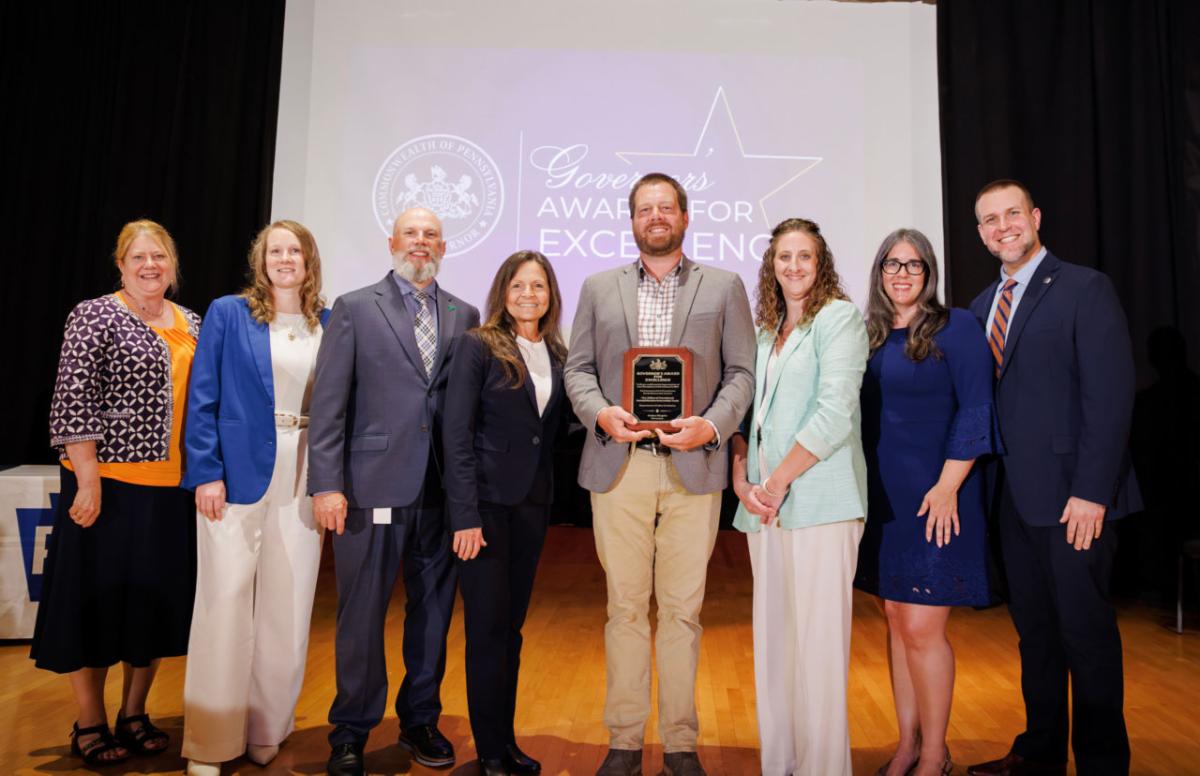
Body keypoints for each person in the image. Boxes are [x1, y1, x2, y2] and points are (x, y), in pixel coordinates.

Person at [564, 172, 755, 776]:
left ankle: (679, 743)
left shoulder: (724, 286)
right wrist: (603, 414)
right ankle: (623, 741)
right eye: (645, 209)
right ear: (632, 220)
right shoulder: (597, 287)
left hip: (693, 466)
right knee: (624, 608)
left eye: (665, 207)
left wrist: (712, 426)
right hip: (621, 469)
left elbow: (742, 374)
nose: (656, 217)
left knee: (681, 612)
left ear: (685, 216)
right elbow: (579, 371)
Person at [966, 180, 1140, 776]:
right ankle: (1039, 752)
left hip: (1074, 500)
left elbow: (1111, 397)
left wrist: (1093, 490)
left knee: (1085, 636)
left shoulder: (1084, 288)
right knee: (1035, 636)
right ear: (982, 232)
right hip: (1011, 503)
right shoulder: (982, 304)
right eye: (990, 220)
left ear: (1035, 216)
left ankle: (1100, 763)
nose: (1003, 226)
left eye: (1012, 213)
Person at [308, 207, 480, 776]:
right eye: (412, 233)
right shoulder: (356, 308)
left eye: (431, 235)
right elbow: (329, 406)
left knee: (432, 614)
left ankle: (419, 721)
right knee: (362, 613)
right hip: (369, 488)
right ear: (392, 241)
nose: (421, 242)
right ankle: (351, 728)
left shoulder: (465, 314)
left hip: (441, 492)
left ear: (444, 247)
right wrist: (327, 485)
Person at [33, 219, 201, 766]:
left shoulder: (193, 322)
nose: (150, 266)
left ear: (173, 266)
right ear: (121, 264)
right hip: (109, 488)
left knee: (150, 610)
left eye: (160, 257)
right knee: (94, 607)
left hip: (172, 491)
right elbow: (72, 402)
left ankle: (134, 712)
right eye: (138, 257)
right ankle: (89, 721)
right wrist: (88, 480)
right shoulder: (95, 315)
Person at [180, 220, 330, 775]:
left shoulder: (329, 322)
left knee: (288, 606)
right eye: (275, 251)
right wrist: (206, 472)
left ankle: (269, 726)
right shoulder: (227, 313)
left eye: (295, 251)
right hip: (234, 475)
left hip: (306, 472)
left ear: (309, 261)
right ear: (260, 260)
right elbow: (203, 395)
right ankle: (211, 741)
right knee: (223, 602)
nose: (284, 259)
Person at [853, 229, 1000, 776]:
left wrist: (947, 485)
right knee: (895, 619)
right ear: (879, 272)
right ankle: (906, 745)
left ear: (929, 272)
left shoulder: (956, 327)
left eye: (914, 265)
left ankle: (935, 753)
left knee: (922, 628)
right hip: (885, 500)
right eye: (892, 264)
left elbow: (976, 408)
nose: (902, 274)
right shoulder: (867, 335)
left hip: (939, 497)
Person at [729, 217, 868, 776]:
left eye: (803, 256)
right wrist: (743, 480)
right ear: (771, 265)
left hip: (821, 504)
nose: (793, 266)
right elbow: (745, 416)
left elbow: (834, 414)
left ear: (821, 262)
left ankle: (825, 768)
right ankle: (780, 764)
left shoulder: (839, 319)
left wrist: (778, 480)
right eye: (783, 257)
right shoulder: (765, 331)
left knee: (819, 649)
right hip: (764, 509)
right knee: (776, 646)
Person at [443, 251, 569, 776]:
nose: (528, 295)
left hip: (531, 507)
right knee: (488, 631)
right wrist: (464, 515)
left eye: (538, 286)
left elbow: (556, 430)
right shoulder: (477, 345)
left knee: (511, 629)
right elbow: (456, 433)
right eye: (519, 285)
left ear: (550, 295)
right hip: (486, 511)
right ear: (504, 290)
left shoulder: (558, 353)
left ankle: (506, 742)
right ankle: (490, 750)